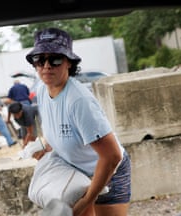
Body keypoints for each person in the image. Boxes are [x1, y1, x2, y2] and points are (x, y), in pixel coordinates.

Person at [25, 28, 131, 216]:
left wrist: (86, 201)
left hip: (108, 172)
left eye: (55, 59)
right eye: (40, 60)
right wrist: (44, 147)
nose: (47, 66)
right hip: (76, 173)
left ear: (69, 63)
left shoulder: (79, 101)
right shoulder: (43, 91)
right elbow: (58, 132)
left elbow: (112, 156)